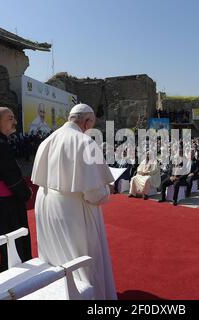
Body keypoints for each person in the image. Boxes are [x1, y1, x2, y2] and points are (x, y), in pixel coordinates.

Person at [31, 103, 117, 299]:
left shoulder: (47, 140)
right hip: (72, 210)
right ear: (87, 122)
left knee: (55, 256)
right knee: (82, 260)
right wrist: (107, 189)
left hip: (45, 203)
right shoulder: (85, 143)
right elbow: (94, 194)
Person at [0, 107, 33, 272]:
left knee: (0, 242)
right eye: (10, 118)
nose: (15, 121)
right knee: (12, 246)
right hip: (6, 205)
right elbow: (12, 178)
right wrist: (26, 193)